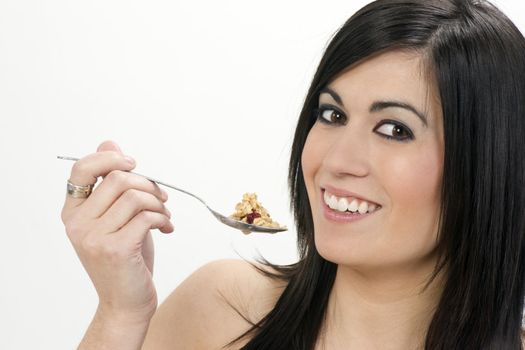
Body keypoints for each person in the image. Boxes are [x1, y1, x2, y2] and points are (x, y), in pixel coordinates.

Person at [61, 0, 525, 348]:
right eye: (332, 115)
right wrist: (120, 314)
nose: (338, 160)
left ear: (487, 166)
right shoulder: (222, 310)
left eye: (394, 129)